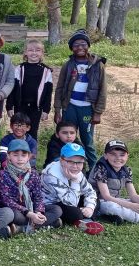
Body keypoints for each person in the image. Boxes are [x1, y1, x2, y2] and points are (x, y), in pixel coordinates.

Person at [54, 30, 107, 170]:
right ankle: (67, 166)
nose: (80, 47)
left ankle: (94, 170)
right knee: (67, 138)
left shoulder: (98, 65)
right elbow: (59, 88)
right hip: (70, 107)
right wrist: (57, 109)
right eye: (76, 45)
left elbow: (103, 90)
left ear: (88, 46)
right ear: (72, 48)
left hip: (87, 109)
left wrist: (98, 112)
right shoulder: (68, 65)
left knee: (87, 140)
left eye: (83, 44)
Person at [88, 140, 139, 224]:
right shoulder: (101, 168)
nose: (118, 158)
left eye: (122, 155)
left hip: (116, 201)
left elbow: (133, 195)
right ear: (105, 155)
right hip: (98, 203)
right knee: (111, 207)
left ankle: (117, 216)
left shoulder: (127, 170)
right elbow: (106, 197)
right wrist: (131, 206)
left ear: (127, 156)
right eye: (113, 154)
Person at [41, 143, 104, 235]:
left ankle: (85, 219)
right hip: (52, 205)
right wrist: (75, 181)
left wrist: (89, 208)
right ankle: (84, 219)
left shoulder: (76, 171)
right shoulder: (52, 175)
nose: (75, 166)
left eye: (79, 162)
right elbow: (71, 203)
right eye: (70, 161)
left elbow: (90, 191)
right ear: (62, 160)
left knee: (96, 201)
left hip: (69, 199)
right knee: (75, 213)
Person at [0, 139, 58, 235]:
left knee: (56, 209)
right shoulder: (3, 174)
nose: (20, 159)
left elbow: (38, 196)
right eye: (15, 155)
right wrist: (28, 213)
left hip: (31, 208)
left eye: (23, 155)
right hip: (16, 209)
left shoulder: (33, 174)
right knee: (14, 215)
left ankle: (22, 227)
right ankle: (43, 224)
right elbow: (6, 200)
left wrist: (39, 212)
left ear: (28, 157)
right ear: (8, 156)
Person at [6, 40, 53, 140]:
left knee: (32, 132)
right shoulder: (19, 68)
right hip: (20, 106)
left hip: (36, 108)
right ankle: (17, 152)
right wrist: (9, 106)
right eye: (31, 50)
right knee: (18, 130)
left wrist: (46, 110)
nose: (34, 53)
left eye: (38, 50)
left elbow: (48, 92)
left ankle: (32, 154)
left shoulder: (46, 71)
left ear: (42, 53)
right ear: (25, 52)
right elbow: (13, 89)